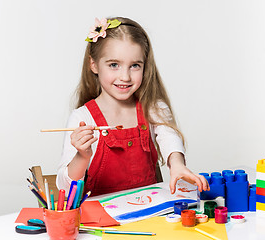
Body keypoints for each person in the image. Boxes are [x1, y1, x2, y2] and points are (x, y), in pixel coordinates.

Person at [56, 17, 209, 196]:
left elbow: (169, 138)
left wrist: (177, 165)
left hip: (149, 218)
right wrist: (82, 156)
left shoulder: (153, 107)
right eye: (114, 65)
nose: (125, 76)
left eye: (135, 66)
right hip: (102, 221)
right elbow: (64, 189)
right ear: (94, 65)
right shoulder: (82, 118)